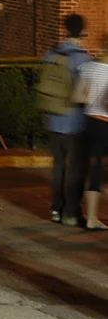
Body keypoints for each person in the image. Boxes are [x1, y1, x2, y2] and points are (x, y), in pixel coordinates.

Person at [42, 14, 93, 226]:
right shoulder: (82, 58)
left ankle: (56, 209)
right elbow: (87, 92)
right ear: (81, 31)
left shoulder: (52, 53)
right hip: (74, 122)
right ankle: (72, 212)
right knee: (76, 168)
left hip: (53, 117)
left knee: (59, 166)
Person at [74, 50, 108, 230]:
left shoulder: (88, 67)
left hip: (90, 123)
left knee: (94, 171)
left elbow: (78, 97)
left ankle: (92, 218)